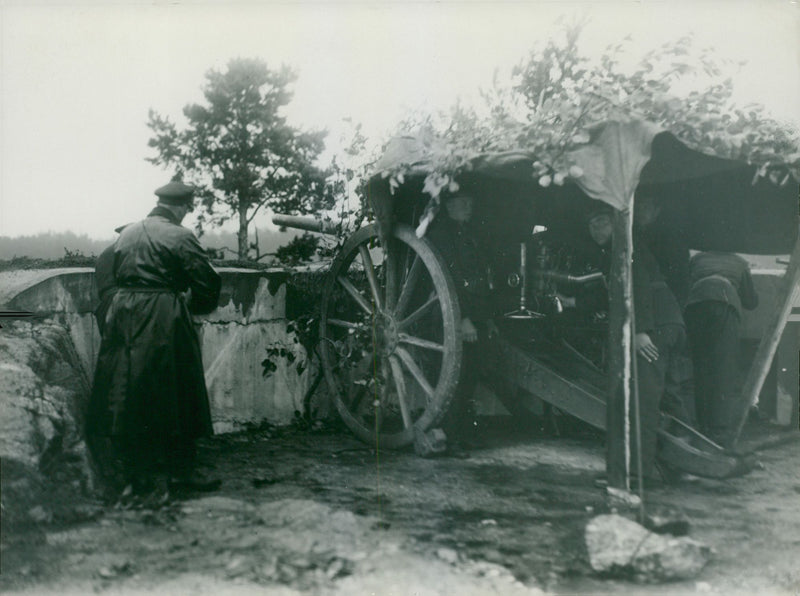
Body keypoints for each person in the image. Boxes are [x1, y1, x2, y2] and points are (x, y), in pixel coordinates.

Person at [87, 181, 222, 505]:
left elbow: (114, 271)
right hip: (164, 314)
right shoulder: (180, 235)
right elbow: (206, 282)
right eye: (188, 209)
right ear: (182, 207)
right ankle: (181, 470)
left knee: (128, 390)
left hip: (124, 312)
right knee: (179, 388)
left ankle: (137, 473)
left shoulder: (129, 233)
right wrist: (192, 301)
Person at [581, 205, 694, 485]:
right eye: (592, 225)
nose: (597, 230)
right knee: (668, 393)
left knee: (643, 399)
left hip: (654, 326)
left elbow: (639, 284)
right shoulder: (626, 245)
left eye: (602, 223)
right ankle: (685, 461)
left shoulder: (626, 246)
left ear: (616, 224)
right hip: (670, 322)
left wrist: (641, 331)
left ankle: (637, 473)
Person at [427, 190, 498, 454]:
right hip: (448, 315)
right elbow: (450, 280)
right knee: (452, 376)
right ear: (448, 206)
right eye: (464, 202)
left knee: (469, 375)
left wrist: (487, 319)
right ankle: (449, 436)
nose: (470, 206)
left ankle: (462, 434)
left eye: (471, 202)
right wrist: (464, 319)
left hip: (473, 315)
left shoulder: (468, 235)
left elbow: (480, 279)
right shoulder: (441, 237)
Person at [684, 251, 758, 449]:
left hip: (695, 305)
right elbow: (751, 302)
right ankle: (719, 430)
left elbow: (684, 285)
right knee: (723, 368)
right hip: (725, 304)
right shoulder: (740, 262)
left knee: (700, 366)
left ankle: (701, 425)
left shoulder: (697, 259)